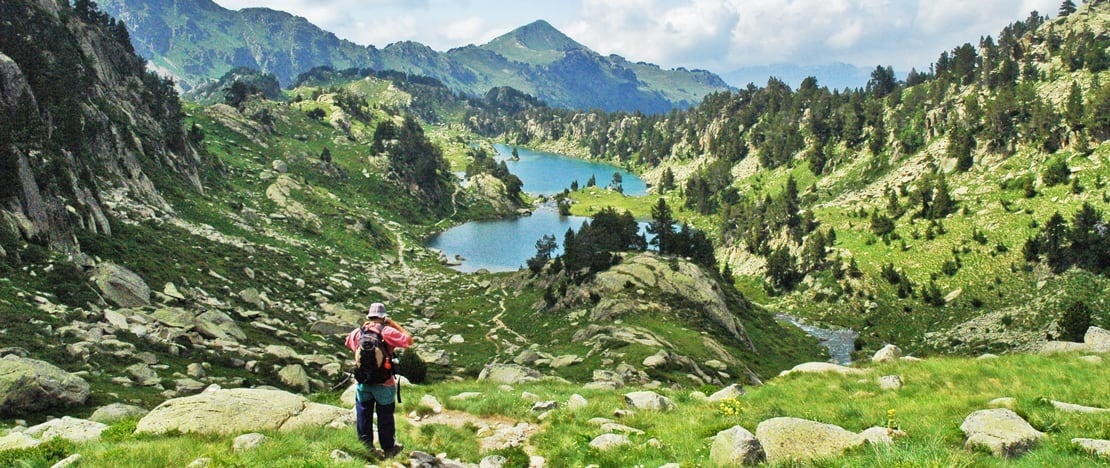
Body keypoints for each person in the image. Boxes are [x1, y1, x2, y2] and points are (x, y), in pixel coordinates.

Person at [344, 302, 412, 458]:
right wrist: (393, 324)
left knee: (363, 414)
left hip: (363, 382)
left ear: (369, 316)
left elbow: (348, 342)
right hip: (384, 383)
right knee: (385, 416)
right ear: (383, 317)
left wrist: (364, 328)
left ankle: (365, 448)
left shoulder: (358, 332)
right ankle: (388, 448)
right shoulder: (387, 331)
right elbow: (409, 341)